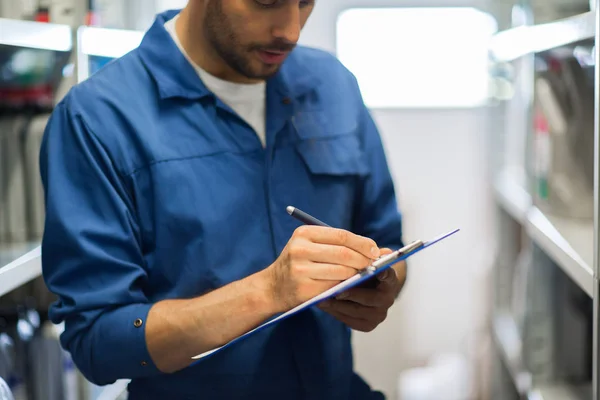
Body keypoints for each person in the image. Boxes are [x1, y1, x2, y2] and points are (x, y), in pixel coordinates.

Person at [39, 1, 407, 399]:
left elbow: (388, 243)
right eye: (267, 1)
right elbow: (99, 343)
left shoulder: (334, 84)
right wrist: (267, 292)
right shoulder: (97, 118)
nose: (291, 30)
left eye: (305, 2)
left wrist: (381, 282)